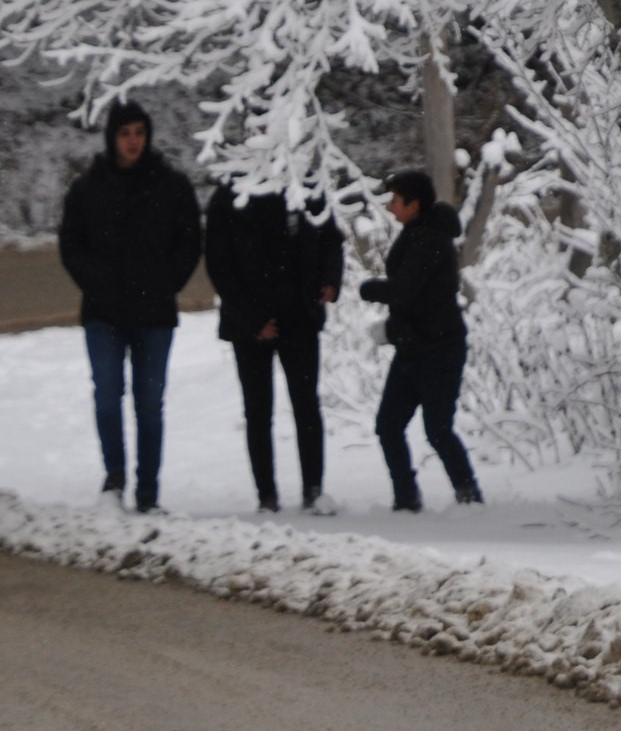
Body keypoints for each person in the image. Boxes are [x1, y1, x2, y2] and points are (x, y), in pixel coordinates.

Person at [57, 100, 202, 513]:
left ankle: (148, 492)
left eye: (139, 132)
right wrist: (97, 282)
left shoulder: (171, 185)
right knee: (107, 396)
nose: (133, 141)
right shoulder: (88, 188)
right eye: (125, 133)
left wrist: (166, 284)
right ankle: (114, 479)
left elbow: (190, 240)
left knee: (149, 405)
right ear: (112, 137)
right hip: (103, 313)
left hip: (154, 314)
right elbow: (71, 244)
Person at [204, 184, 345, 513]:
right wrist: (252, 321)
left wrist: (330, 279)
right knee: (257, 410)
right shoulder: (230, 195)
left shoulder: (303, 185)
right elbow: (219, 264)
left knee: (306, 404)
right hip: (248, 323)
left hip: (300, 317)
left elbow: (330, 239)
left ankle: (314, 490)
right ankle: (266, 494)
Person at [357, 168, 482, 511]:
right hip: (413, 347)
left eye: (396, 200)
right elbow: (415, 298)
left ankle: (469, 497)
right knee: (389, 425)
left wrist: (370, 289)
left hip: (439, 349)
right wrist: (395, 330)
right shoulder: (418, 233)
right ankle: (406, 498)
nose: (390, 207)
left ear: (414, 205)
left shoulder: (431, 240)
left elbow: (408, 291)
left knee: (438, 429)